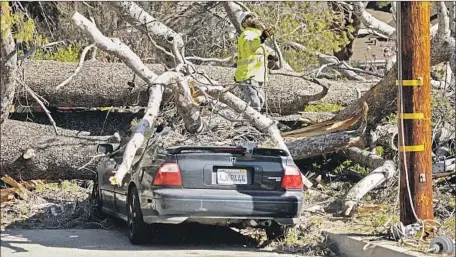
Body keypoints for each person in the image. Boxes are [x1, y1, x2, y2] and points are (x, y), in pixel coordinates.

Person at [234, 12, 276, 112]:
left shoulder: (257, 34)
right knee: (254, 103)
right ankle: (250, 123)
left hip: (258, 75)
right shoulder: (246, 34)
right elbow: (250, 46)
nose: (252, 19)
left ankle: (253, 122)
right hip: (247, 75)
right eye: (248, 17)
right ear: (243, 23)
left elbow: (260, 49)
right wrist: (262, 38)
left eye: (253, 17)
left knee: (261, 101)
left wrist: (270, 55)